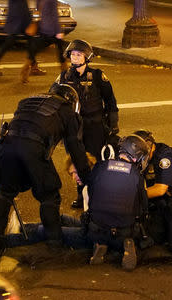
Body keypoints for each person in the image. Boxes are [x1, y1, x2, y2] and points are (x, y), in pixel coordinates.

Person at [0, 83, 90, 258]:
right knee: (49, 195)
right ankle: (54, 244)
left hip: (6, 146)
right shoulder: (66, 110)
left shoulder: (26, 101)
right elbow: (75, 147)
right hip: (34, 147)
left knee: (4, 193)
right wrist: (88, 176)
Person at [53, 39, 120, 209]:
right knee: (77, 160)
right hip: (73, 126)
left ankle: (96, 194)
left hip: (95, 125)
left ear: (86, 57)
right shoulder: (63, 77)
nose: (75, 58)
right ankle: (81, 194)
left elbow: (110, 101)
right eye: (72, 55)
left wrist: (113, 125)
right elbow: (53, 99)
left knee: (95, 160)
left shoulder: (98, 76)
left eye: (78, 54)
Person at [85, 135, 150, 271]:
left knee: (94, 224)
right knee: (137, 225)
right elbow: (143, 206)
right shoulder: (137, 175)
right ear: (136, 155)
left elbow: (90, 192)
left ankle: (100, 242)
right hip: (125, 228)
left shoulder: (100, 166)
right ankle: (127, 242)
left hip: (97, 226)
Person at [0, 0, 44, 83]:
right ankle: (29, 68)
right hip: (21, 12)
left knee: (12, 39)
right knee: (30, 39)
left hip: (16, 10)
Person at [22, 0, 69, 83]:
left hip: (43, 27)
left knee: (35, 48)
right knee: (61, 52)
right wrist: (58, 31)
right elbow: (54, 15)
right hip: (52, 29)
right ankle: (66, 75)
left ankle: (25, 69)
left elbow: (37, 11)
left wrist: (36, 23)